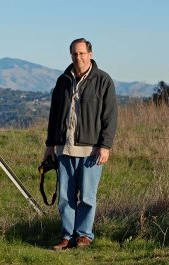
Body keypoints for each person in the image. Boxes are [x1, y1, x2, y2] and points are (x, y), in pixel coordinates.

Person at [44, 38, 117, 250]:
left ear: (90, 54)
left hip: (91, 150)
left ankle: (84, 235)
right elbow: (54, 115)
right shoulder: (63, 81)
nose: (79, 58)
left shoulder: (103, 80)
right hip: (64, 149)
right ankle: (67, 236)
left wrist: (106, 146)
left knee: (86, 196)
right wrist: (50, 146)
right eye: (75, 54)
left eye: (82, 53)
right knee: (65, 198)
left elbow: (110, 116)